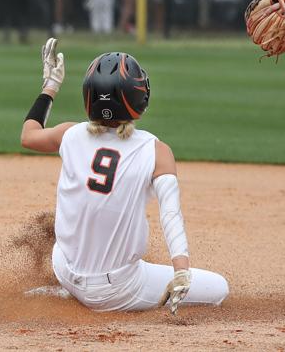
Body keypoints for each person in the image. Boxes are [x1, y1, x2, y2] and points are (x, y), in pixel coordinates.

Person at [19, 38, 229, 313]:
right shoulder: (156, 151)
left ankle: (68, 289)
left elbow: (28, 135)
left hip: (64, 270)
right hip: (115, 292)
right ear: (137, 97)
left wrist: (50, 87)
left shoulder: (70, 134)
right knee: (219, 288)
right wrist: (181, 271)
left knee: (69, 238)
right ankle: (88, 294)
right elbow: (170, 215)